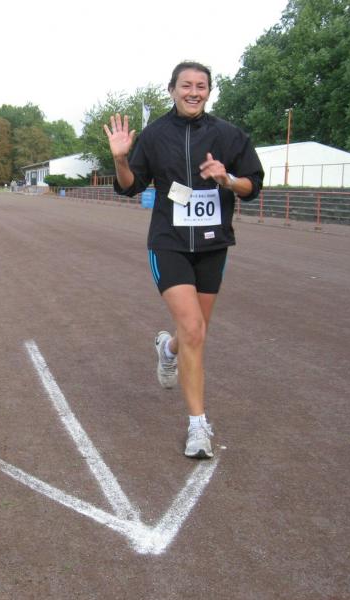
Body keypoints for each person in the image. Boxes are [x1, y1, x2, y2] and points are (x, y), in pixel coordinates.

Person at [105, 61, 264, 459]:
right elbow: (130, 187)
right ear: (172, 89)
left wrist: (227, 179)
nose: (194, 92)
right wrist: (121, 159)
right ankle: (198, 426)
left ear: (209, 91)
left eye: (201, 86)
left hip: (212, 245)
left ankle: (168, 350)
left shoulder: (229, 135)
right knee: (193, 328)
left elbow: (252, 185)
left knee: (194, 334)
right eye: (186, 85)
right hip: (169, 242)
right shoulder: (155, 135)